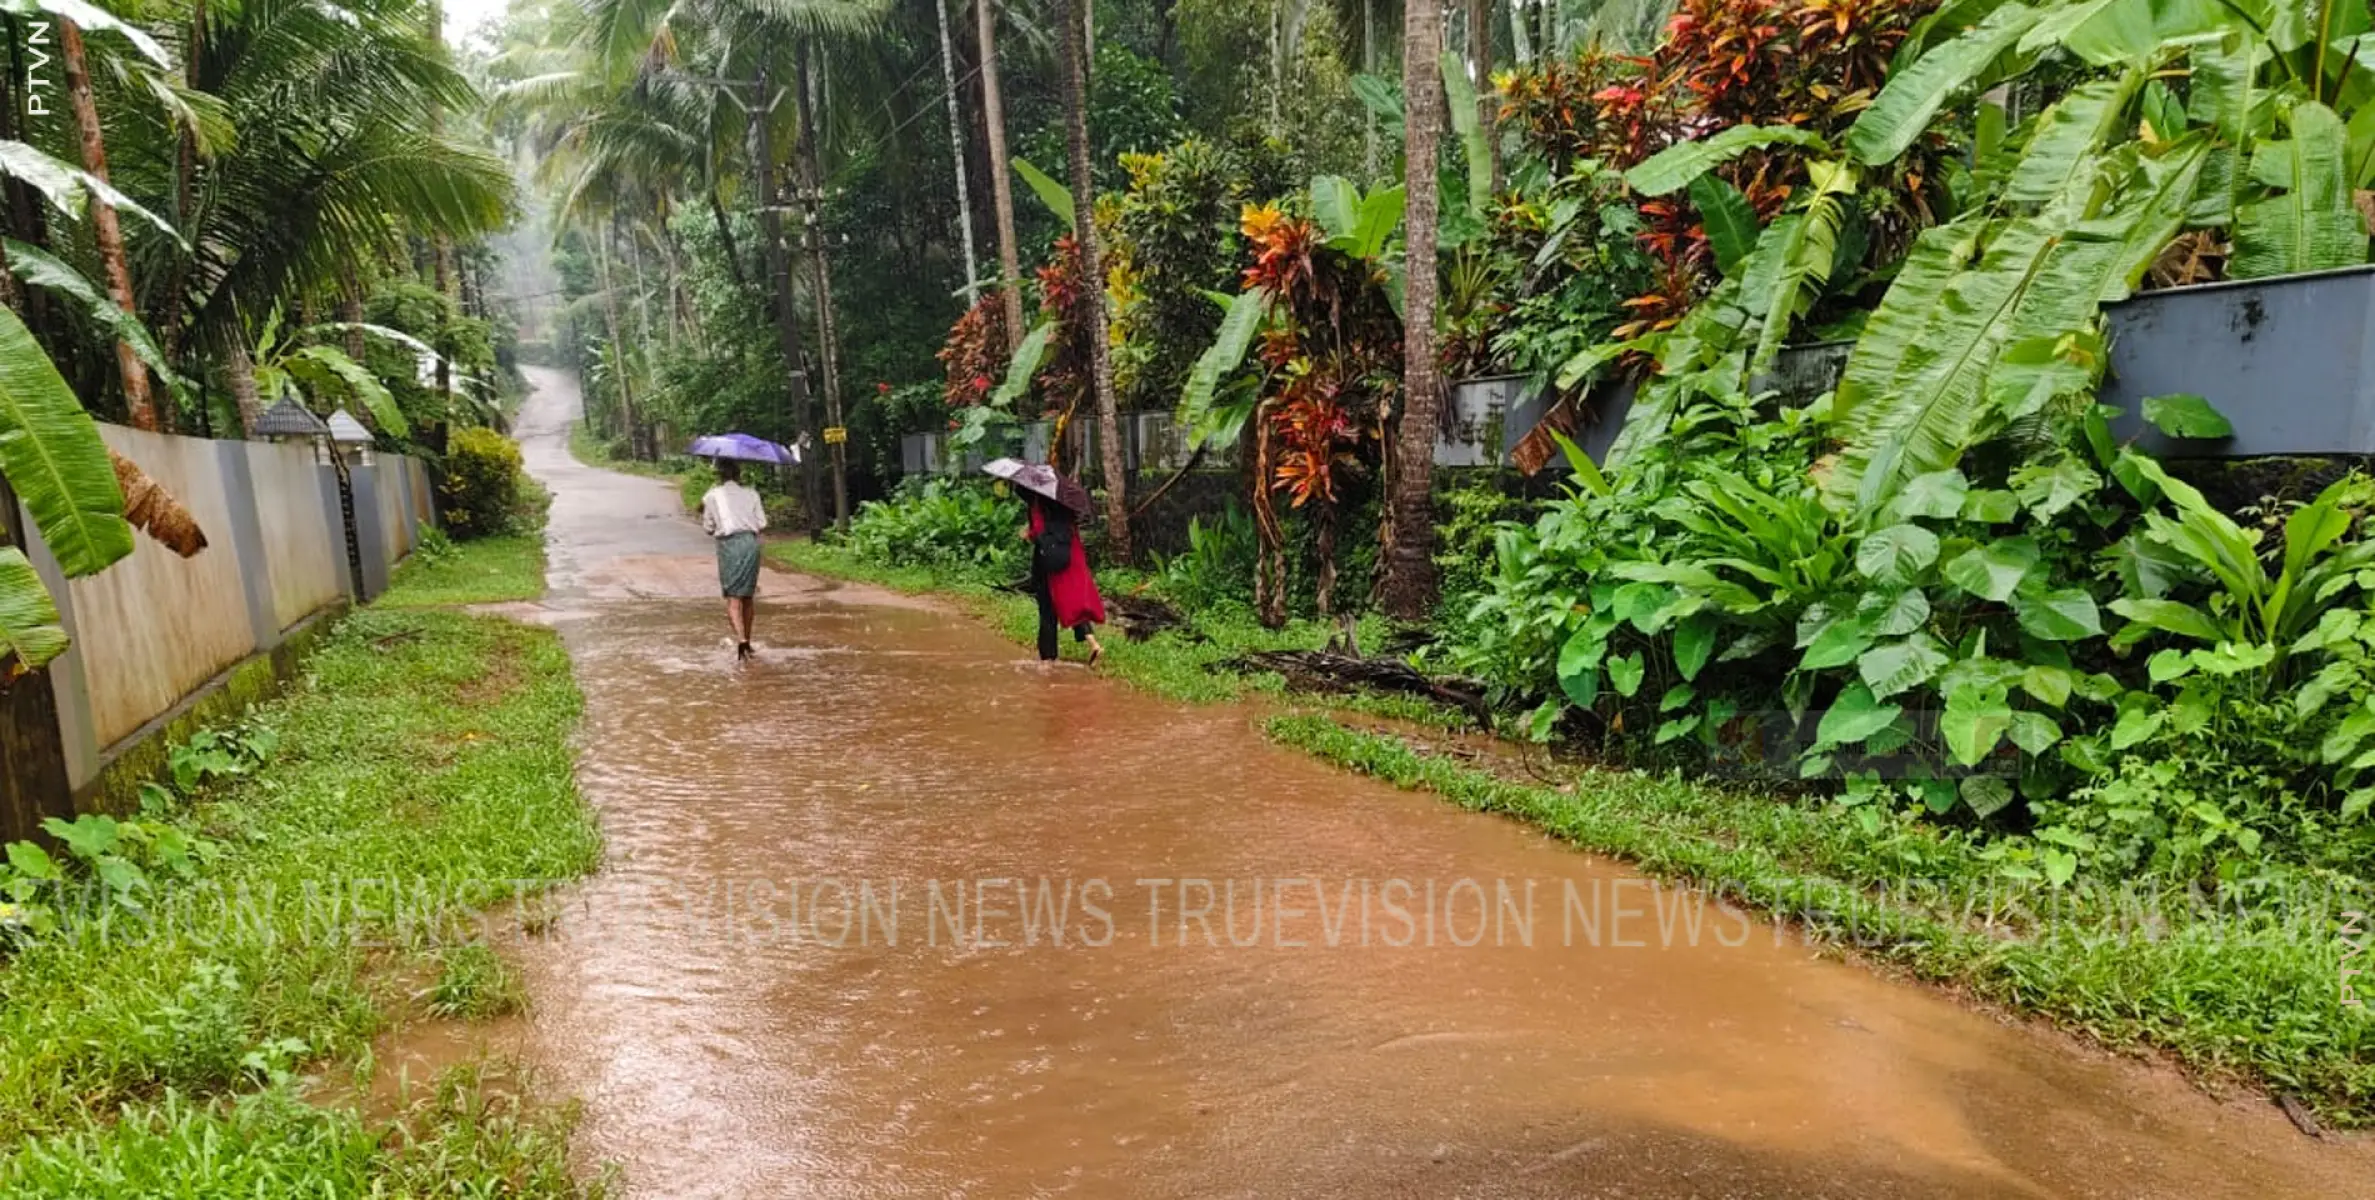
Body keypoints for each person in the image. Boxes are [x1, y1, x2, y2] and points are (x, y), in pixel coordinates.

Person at [1024, 492, 1106, 666]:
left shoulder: (1038, 501)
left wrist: (1029, 534)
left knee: (1047, 610)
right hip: (1070, 556)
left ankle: (1048, 660)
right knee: (1072, 602)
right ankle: (1093, 643)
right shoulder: (1065, 502)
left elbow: (1039, 531)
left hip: (1048, 562)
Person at [699, 459, 767, 659]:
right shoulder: (752, 494)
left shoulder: (711, 496)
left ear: (719, 475)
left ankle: (741, 640)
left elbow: (708, 528)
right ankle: (748, 639)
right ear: (739, 475)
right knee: (747, 596)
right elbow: (762, 522)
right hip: (750, 544)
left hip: (729, 545)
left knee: (733, 597)